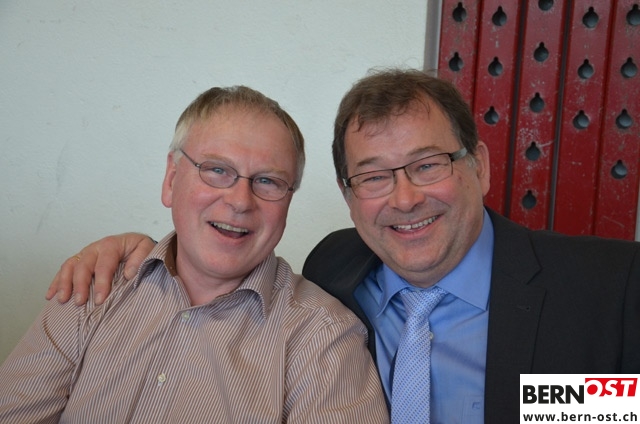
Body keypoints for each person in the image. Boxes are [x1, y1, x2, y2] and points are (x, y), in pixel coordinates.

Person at [45, 69, 640, 423]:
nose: (404, 199)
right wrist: (142, 248)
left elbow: (609, 410)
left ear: (478, 166)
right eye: (374, 176)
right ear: (348, 195)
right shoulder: (334, 269)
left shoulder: (611, 291)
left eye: (427, 165)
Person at [0, 86, 389, 423]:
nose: (240, 201)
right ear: (171, 179)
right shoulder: (94, 285)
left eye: (268, 181)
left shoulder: (323, 337)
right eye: (217, 170)